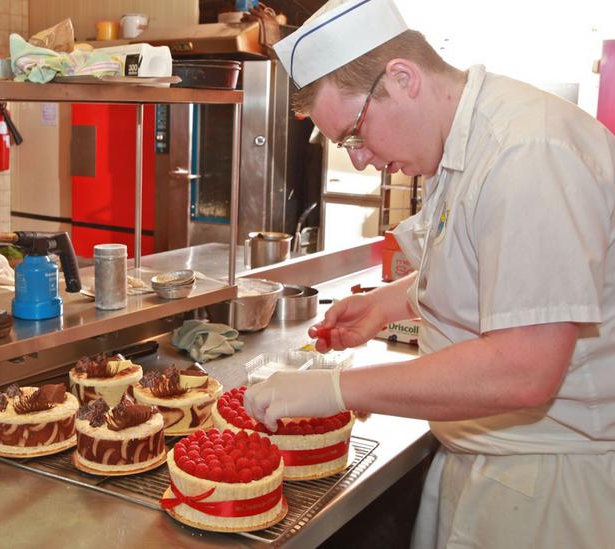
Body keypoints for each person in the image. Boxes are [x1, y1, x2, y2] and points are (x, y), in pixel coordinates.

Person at [243, 0, 615, 547]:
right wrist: (391, 303)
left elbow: (525, 368)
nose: (361, 159)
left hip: (549, 488)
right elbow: (481, 265)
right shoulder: (461, 144)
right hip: (489, 462)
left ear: (402, 77)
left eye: (353, 134)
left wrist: (334, 389)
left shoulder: (527, 152)